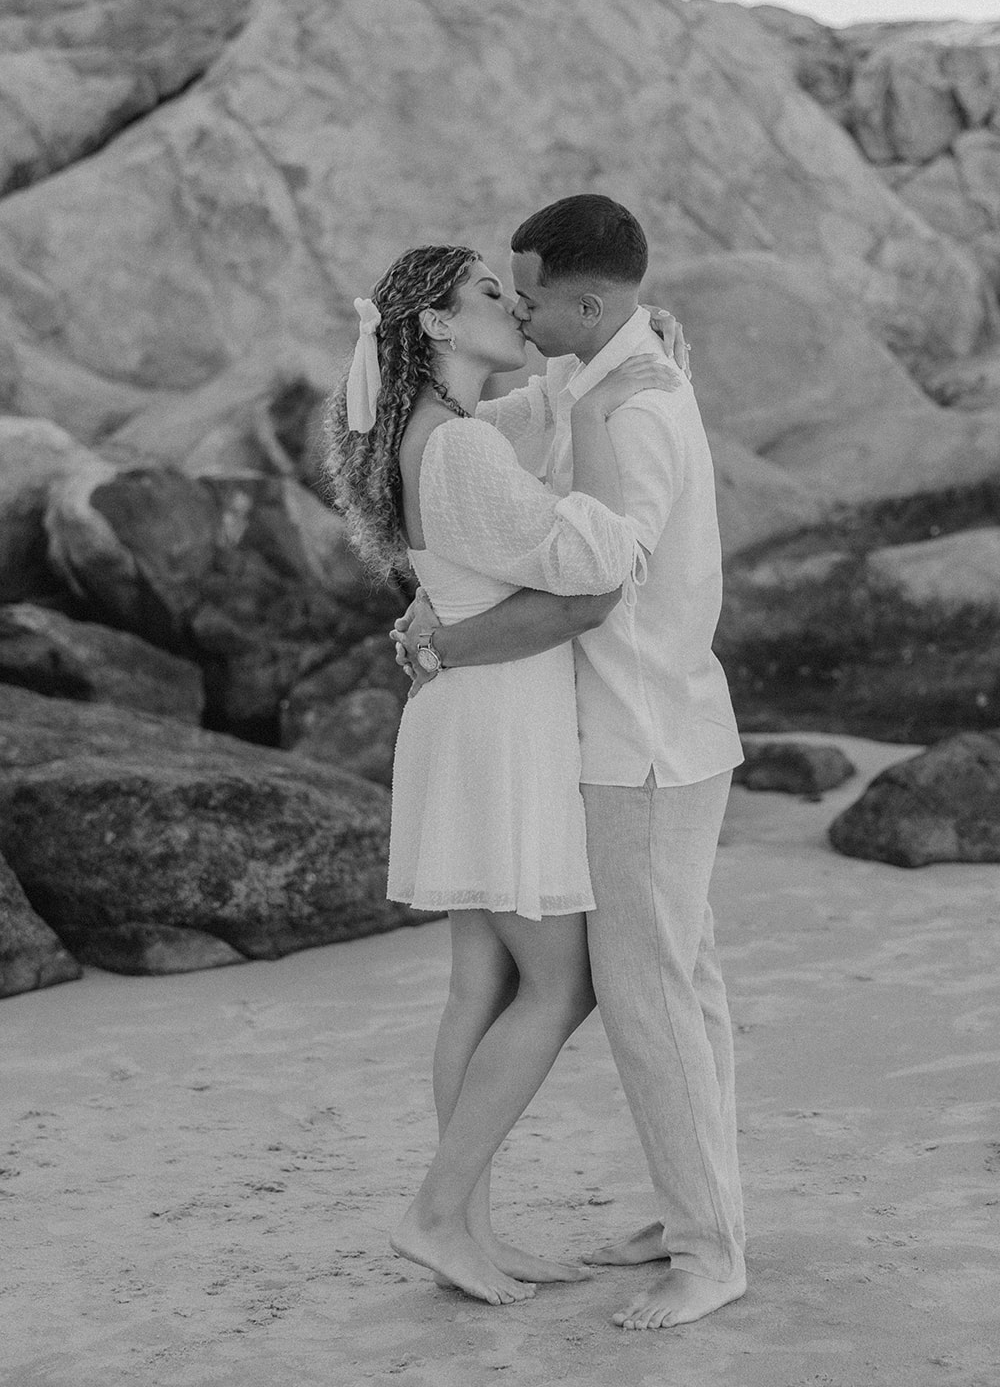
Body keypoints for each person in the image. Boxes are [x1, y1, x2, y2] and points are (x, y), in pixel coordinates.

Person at [394, 195, 747, 1331]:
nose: (520, 306)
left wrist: (445, 640)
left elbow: (600, 586)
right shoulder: (599, 376)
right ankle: (694, 1211)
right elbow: (506, 437)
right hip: (648, 733)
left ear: (588, 301)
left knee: (649, 999)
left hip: (638, 740)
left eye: (532, 291)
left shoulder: (634, 406)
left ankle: (708, 1248)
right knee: (678, 988)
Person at [323, 243, 679, 1308]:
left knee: (482, 983)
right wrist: (604, 409)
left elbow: (529, 431)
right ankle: (438, 1207)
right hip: (498, 725)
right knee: (560, 983)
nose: (512, 304)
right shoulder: (462, 453)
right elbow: (596, 563)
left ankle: (467, 1226)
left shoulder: (448, 435)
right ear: (434, 326)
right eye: (487, 291)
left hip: (471, 713)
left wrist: (605, 360)